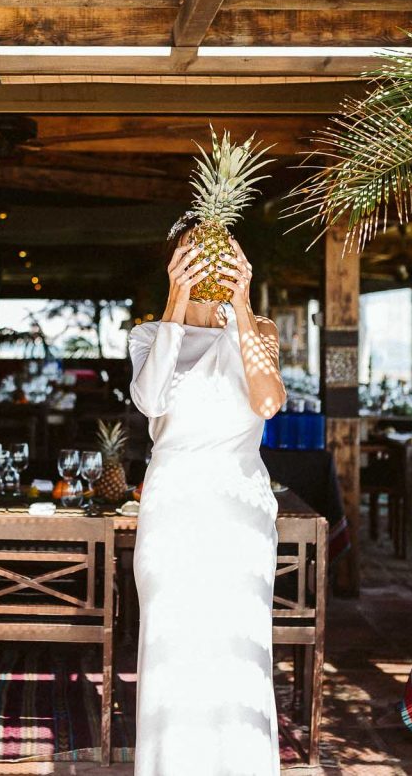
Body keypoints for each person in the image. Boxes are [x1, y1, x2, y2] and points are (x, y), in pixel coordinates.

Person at [128, 222, 287, 775]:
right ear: (176, 261)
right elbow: (149, 401)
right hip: (172, 508)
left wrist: (242, 307)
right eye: (192, 256)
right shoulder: (149, 336)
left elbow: (267, 402)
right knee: (172, 652)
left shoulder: (258, 330)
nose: (206, 267)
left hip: (237, 512)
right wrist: (176, 300)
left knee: (236, 654)